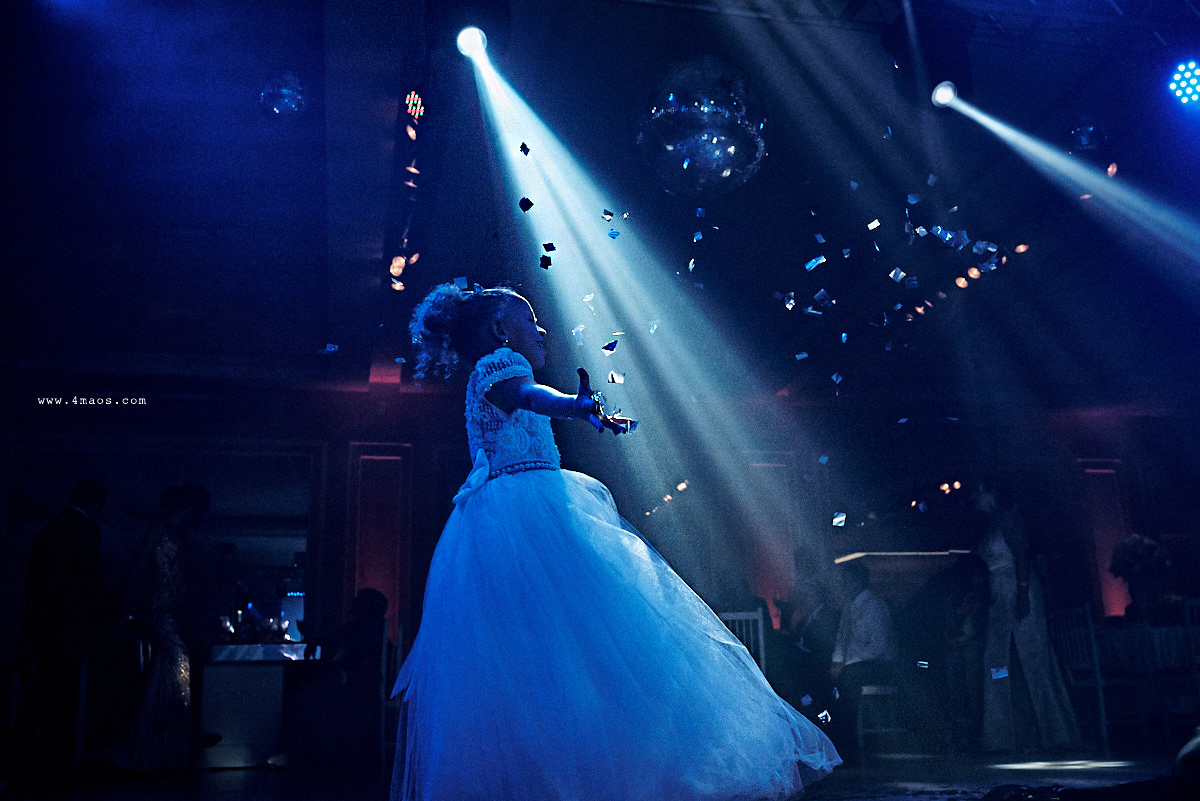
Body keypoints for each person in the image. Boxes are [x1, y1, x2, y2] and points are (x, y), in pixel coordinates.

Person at [390, 283, 840, 801]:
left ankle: (565, 766)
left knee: (557, 646)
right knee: (569, 638)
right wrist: (575, 407)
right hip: (522, 517)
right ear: (500, 331)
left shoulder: (497, 371)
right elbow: (528, 396)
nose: (542, 330)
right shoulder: (500, 366)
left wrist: (589, 411)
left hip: (519, 514)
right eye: (530, 319)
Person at [9, 478, 116, 778]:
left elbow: (34, 581)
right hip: (67, 624)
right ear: (95, 505)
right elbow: (88, 578)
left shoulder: (49, 530)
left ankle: (26, 758)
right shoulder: (86, 530)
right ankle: (52, 763)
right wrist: (113, 604)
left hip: (44, 623)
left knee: (45, 689)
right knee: (60, 694)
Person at [974, 479, 1079, 754]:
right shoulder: (991, 525)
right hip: (999, 595)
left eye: (980, 493)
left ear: (993, 492)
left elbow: (1022, 555)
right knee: (997, 662)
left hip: (1019, 589)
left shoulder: (1009, 518)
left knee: (1033, 658)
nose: (976, 499)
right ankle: (1002, 734)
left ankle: (1055, 732)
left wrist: (1022, 594)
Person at [825, 561, 898, 764]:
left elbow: (879, 648)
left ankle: (847, 740)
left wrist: (846, 663)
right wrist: (836, 663)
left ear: (858, 582)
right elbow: (841, 639)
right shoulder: (849, 608)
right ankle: (833, 733)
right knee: (828, 678)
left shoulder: (875, 607)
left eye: (848, 581)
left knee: (850, 679)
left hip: (879, 666)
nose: (844, 585)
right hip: (856, 664)